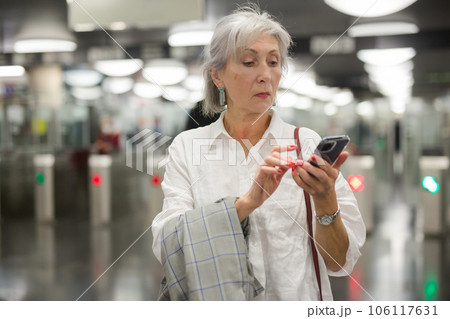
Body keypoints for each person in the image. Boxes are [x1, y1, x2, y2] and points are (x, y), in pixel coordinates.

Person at [152, 5, 365, 301]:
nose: (266, 75)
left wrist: (325, 199)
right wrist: (244, 205)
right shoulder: (188, 148)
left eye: (274, 62)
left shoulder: (304, 144)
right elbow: (168, 241)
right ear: (217, 76)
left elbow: (340, 262)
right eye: (250, 62)